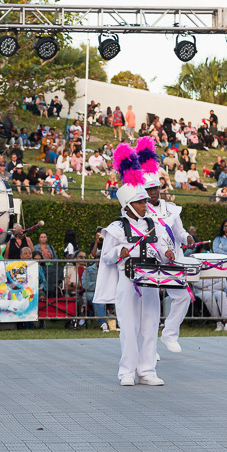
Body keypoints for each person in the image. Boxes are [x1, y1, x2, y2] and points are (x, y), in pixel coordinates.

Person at [94, 144, 172, 386]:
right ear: (127, 205)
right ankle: (126, 371)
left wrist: (166, 252)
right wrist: (120, 250)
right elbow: (105, 256)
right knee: (128, 329)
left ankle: (147, 370)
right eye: (139, 202)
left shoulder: (153, 224)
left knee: (149, 328)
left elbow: (160, 247)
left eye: (145, 201)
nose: (145, 205)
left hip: (150, 281)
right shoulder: (116, 227)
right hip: (128, 282)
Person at [135, 137, 195, 355]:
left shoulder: (172, 209)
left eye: (156, 188)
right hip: (150, 262)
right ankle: (148, 348)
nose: (154, 192)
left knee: (182, 297)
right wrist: (162, 250)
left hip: (173, 261)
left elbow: (179, 232)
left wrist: (187, 238)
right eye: (149, 189)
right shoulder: (139, 212)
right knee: (150, 306)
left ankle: (169, 334)